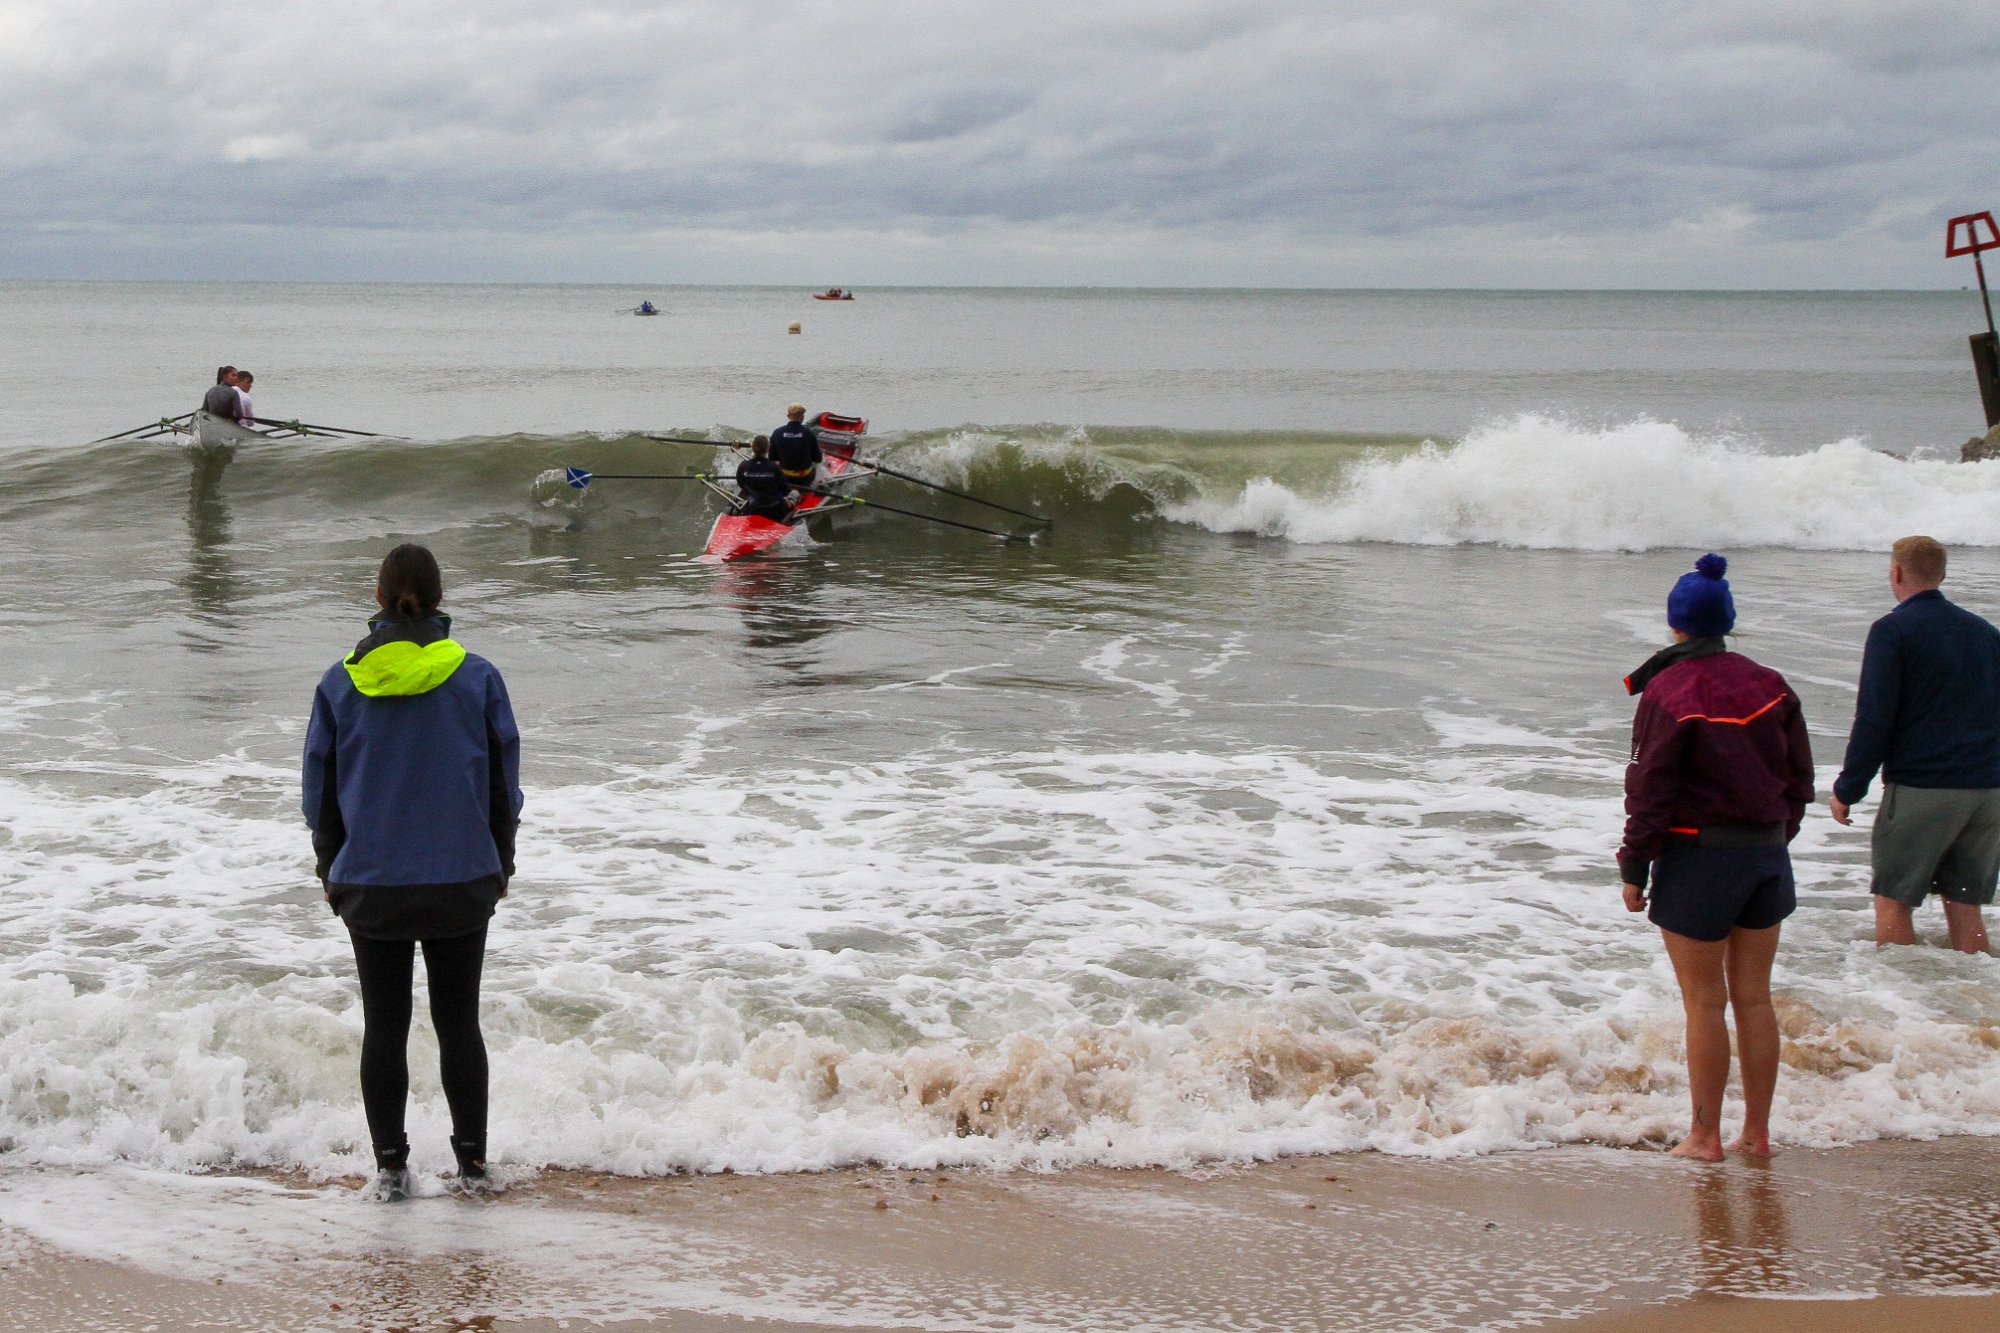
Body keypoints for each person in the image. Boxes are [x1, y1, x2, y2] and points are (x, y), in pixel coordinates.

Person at [302, 544, 523, 1200]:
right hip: (462, 880)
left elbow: (321, 791)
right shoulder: (476, 676)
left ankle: (392, 1170)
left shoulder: (339, 683)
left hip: (371, 882)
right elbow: (501, 785)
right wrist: (500, 860)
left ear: (379, 599)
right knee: (460, 1022)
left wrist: (331, 867)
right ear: (438, 598)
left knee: (385, 1022)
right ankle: (475, 1169)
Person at [1618, 554, 1813, 1160]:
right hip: (1765, 856)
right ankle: (1756, 1133)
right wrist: (1776, 841)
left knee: (1705, 1002)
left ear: (1675, 624)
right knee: (1754, 997)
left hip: (1700, 860)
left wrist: (1634, 866)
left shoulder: (1670, 690)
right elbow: (1800, 780)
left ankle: (1704, 1136)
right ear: (1727, 622)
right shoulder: (1770, 682)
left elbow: (1650, 790)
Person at [1830, 536, 2000, 954]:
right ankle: (1976, 1004)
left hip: (1925, 788)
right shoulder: (1987, 634)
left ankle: (1904, 1011)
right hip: (1988, 792)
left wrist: (1849, 788)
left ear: (1896, 573)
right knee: (1965, 907)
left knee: (1894, 903)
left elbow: (1874, 718)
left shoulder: (1892, 631)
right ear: (1941, 576)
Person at [733, 435, 792, 521]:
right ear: (768, 449)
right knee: (794, 494)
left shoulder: (743, 466)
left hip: (754, 509)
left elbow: (741, 484)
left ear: (753, 448)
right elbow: (785, 489)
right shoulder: (774, 467)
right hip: (775, 511)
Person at [768, 402, 822, 490]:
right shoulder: (809, 433)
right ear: (802, 417)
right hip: (804, 478)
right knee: (817, 465)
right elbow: (818, 459)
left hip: (784, 477)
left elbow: (772, 458)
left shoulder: (777, 433)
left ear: (788, 416)